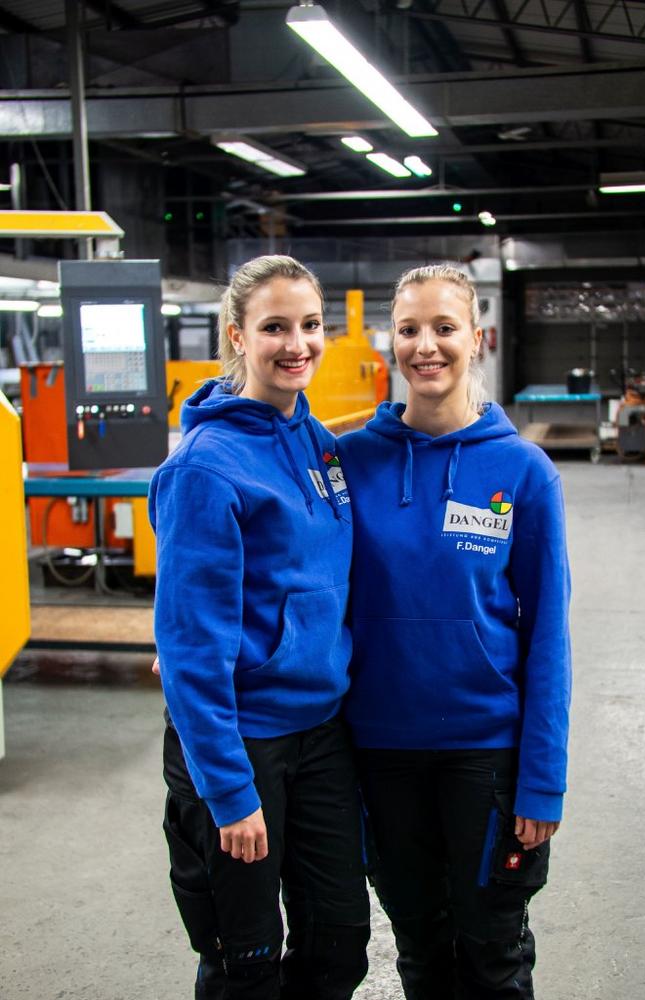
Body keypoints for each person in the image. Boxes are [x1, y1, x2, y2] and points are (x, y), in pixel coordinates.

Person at [337, 264, 571, 1000]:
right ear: (392, 341)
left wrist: (542, 780)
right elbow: (288, 564)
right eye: (409, 329)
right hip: (381, 753)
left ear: (477, 337)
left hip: (485, 755)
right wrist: (200, 634)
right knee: (419, 949)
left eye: (444, 328)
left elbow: (549, 637)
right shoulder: (350, 462)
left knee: (493, 952)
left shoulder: (522, 472)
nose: (425, 346)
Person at [148, 255, 369, 1000]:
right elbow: (190, 648)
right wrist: (229, 790)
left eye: (310, 325)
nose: (296, 344)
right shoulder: (204, 469)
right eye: (275, 327)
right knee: (244, 962)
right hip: (241, 741)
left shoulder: (320, 444)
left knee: (339, 943)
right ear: (238, 335)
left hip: (322, 734)